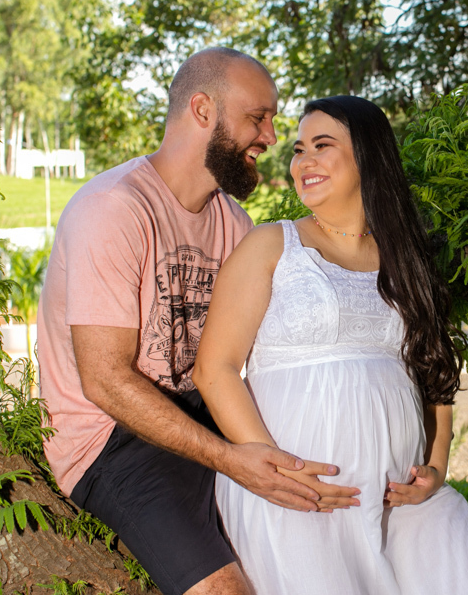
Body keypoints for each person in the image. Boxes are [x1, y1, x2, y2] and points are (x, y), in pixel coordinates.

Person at [37, 48, 358, 595]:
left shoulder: (234, 222)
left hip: (199, 412)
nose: (272, 136)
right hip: (110, 438)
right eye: (258, 117)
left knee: (321, 521)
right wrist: (233, 460)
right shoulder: (114, 208)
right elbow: (105, 380)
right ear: (203, 110)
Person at [192, 96, 468, 594]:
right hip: (300, 498)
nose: (303, 161)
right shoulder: (271, 245)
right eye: (299, 149)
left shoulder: (406, 259)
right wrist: (275, 470)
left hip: (401, 505)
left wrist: (435, 469)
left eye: (321, 146)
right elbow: (215, 369)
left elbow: (434, 374)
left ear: (367, 155)